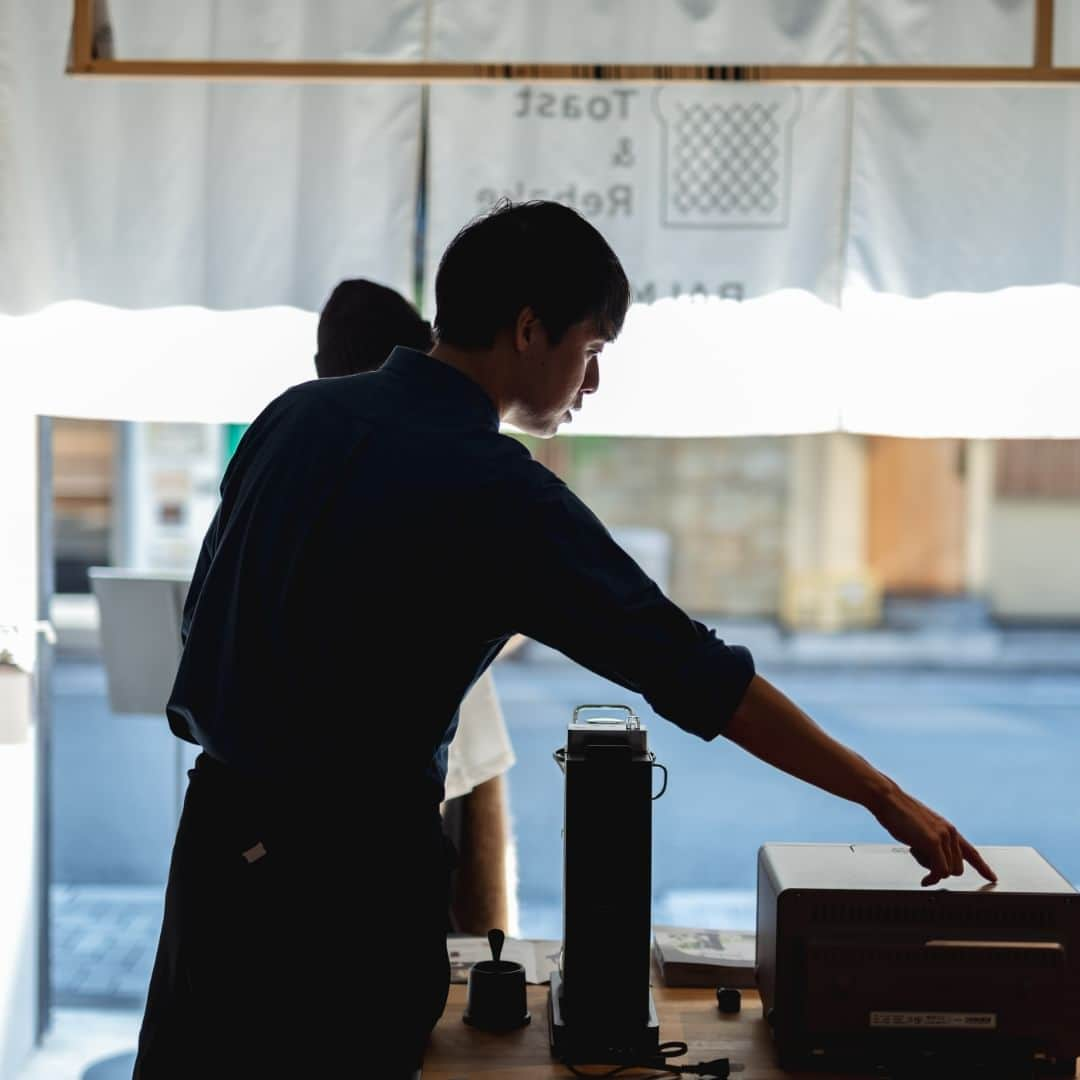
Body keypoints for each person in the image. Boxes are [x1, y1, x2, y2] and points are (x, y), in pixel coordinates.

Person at [134, 200, 995, 1079]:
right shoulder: (500, 494)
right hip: (349, 894)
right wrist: (881, 796)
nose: (590, 387)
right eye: (590, 354)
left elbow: (204, 616)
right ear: (528, 329)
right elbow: (695, 673)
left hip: (216, 855)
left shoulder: (295, 418)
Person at [315, 277, 517, 934]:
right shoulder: (454, 462)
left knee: (424, 939)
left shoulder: (311, 449)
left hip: (399, 766)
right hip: (414, 765)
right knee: (448, 942)